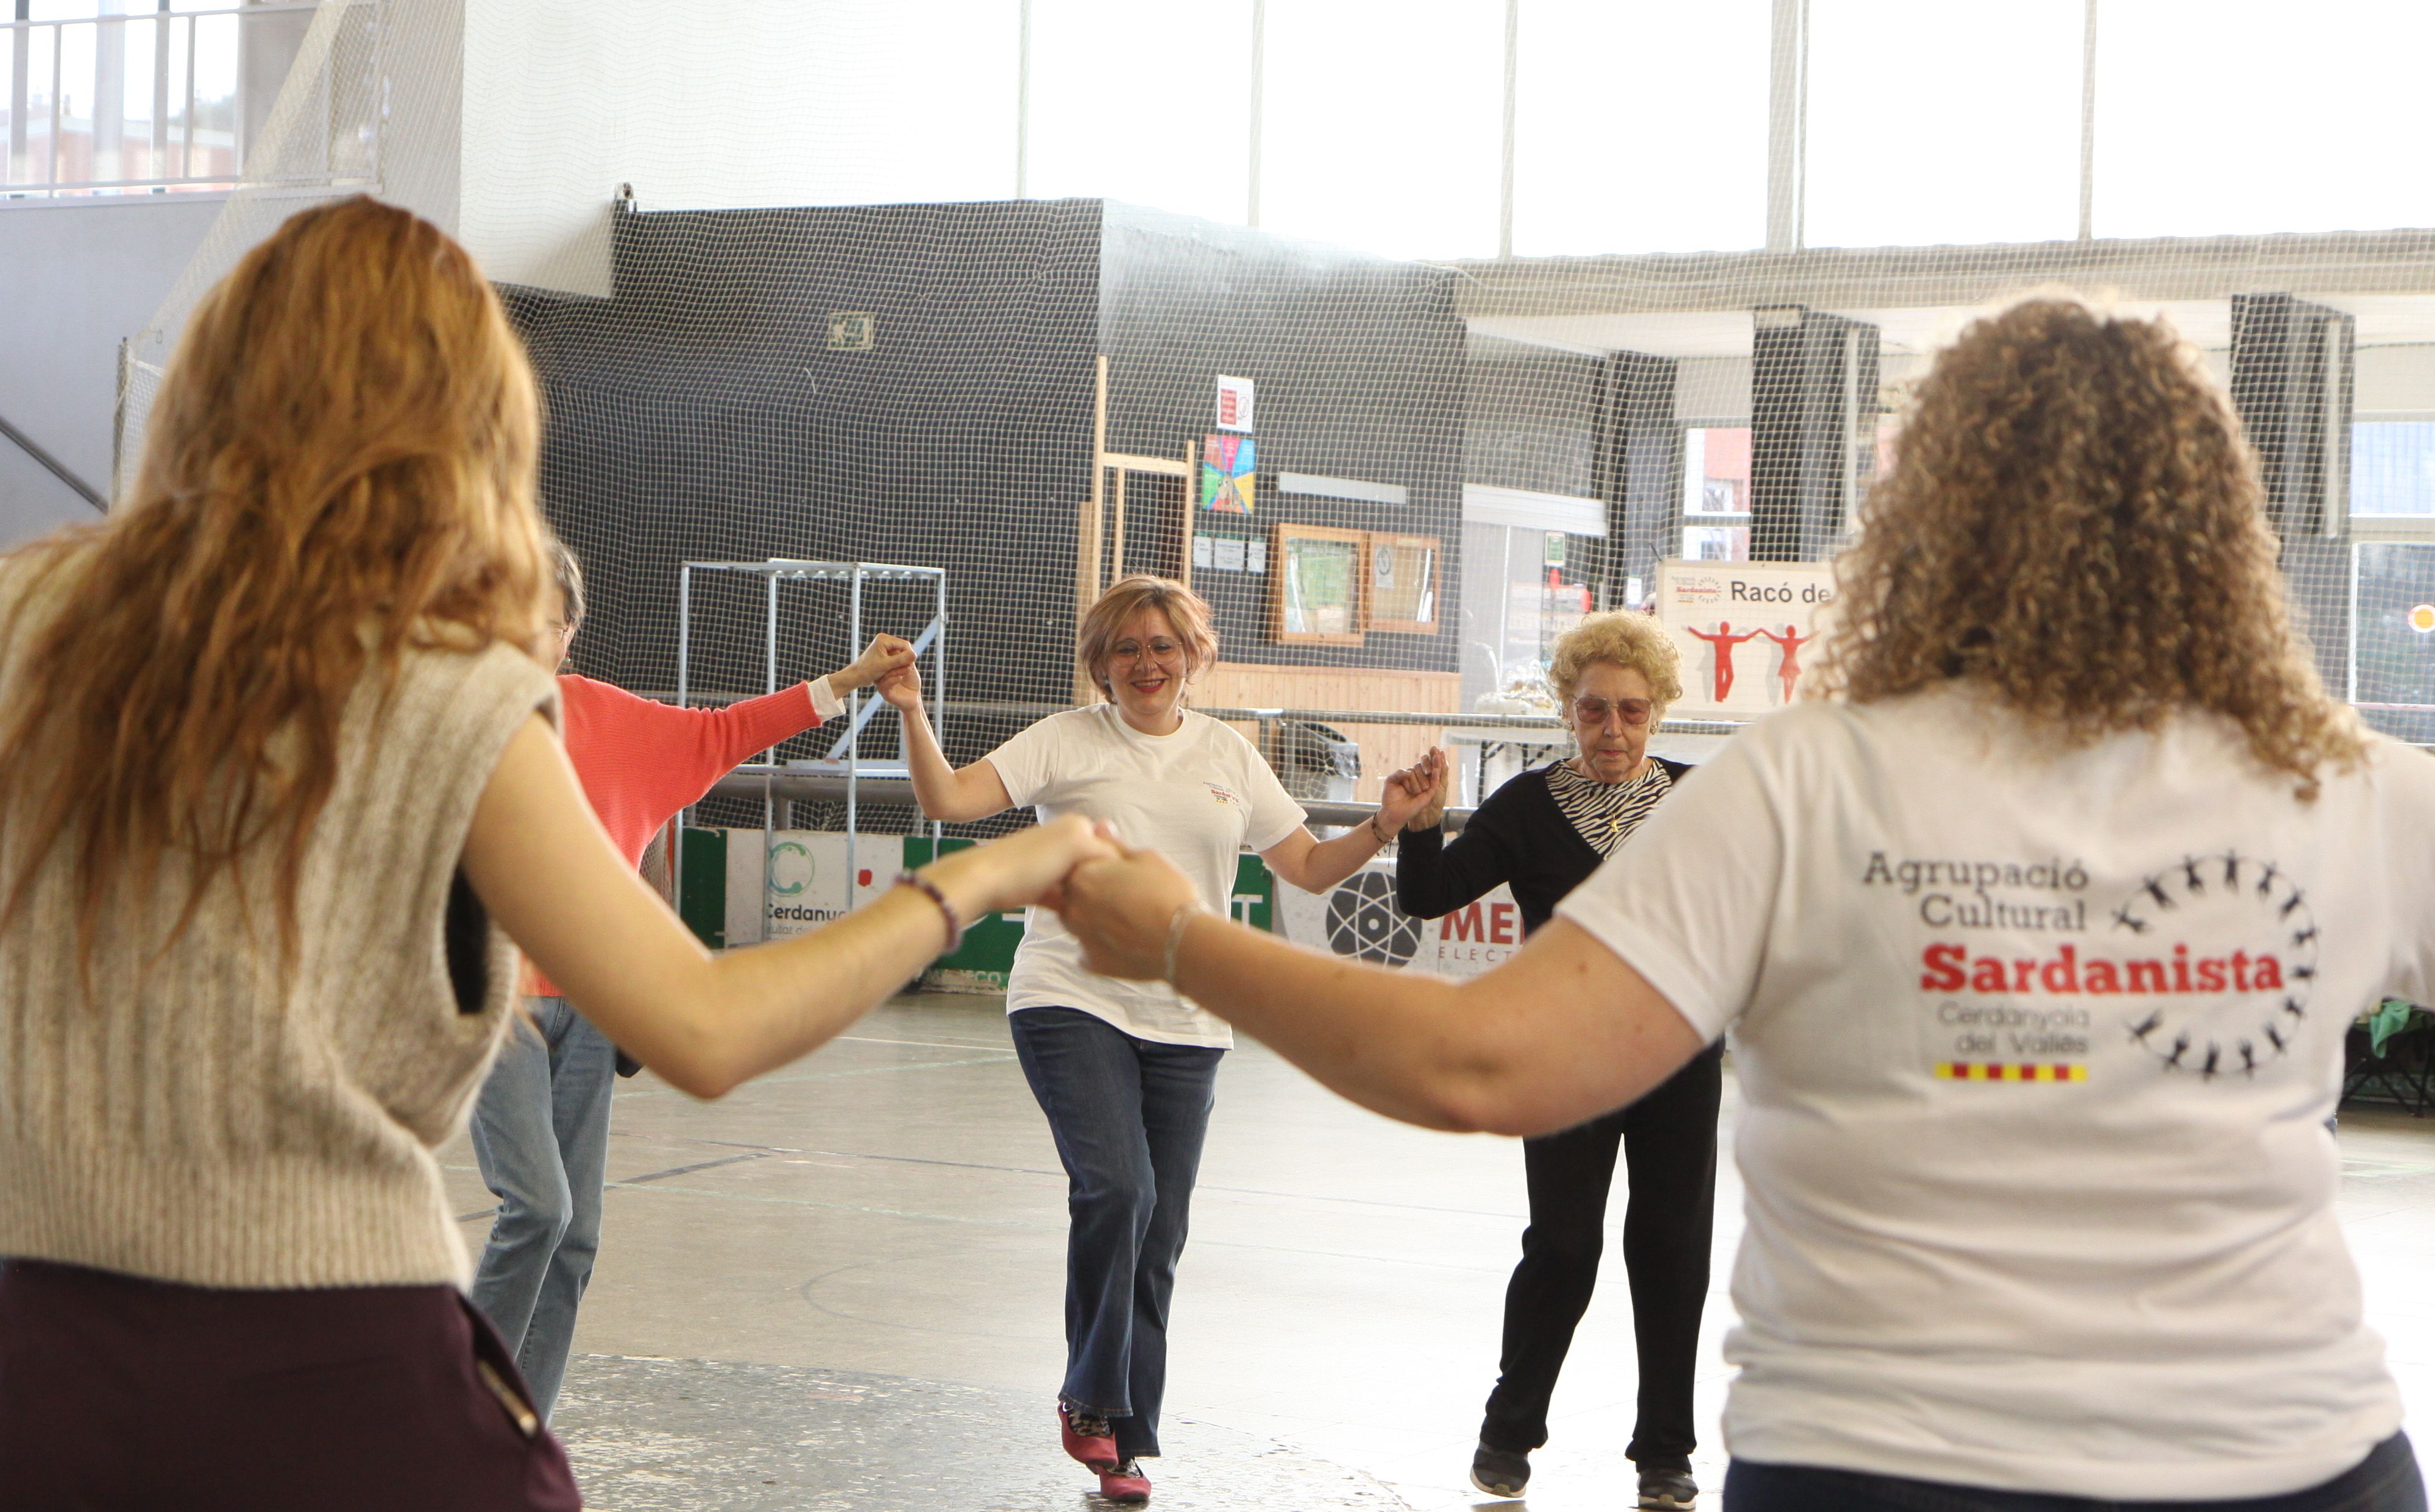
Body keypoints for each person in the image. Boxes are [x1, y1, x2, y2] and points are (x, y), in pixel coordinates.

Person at [0, 196, 1113, 1512]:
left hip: (62, 1392)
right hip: (344, 1375)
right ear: (467, 421)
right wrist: (976, 877)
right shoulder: (457, 697)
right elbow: (704, 1027)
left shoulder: (22, 610)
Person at [1052, 297, 2435, 1512]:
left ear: (1923, 519)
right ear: (2216, 526)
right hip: (2290, 1452)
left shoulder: (1803, 781)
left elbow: (1481, 1060)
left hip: (1884, 1459)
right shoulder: (2348, 784)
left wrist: (1175, 934)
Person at [885, 573, 1441, 1505]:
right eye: (1127, 649)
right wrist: (911, 712)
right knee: (1119, 1187)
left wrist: (1384, 823)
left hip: (1189, 1017)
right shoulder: (1067, 739)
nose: (1147, 663)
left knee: (1162, 1225)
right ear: (1101, 666)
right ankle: (1091, 1400)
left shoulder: (1227, 752)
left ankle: (1129, 1438)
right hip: (1070, 998)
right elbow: (947, 799)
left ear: (1192, 656)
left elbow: (1304, 867)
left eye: (1163, 645)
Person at [470, 542, 917, 1421]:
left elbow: (735, 730)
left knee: (577, 1236)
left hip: (596, 1007)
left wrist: (854, 677)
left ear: (569, 634)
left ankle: (522, 1429)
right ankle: (452, 1411)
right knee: (539, 1208)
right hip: (489, 1008)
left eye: (543, 622)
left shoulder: (622, 726)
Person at [1381, 611, 1710, 1510]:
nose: (1613, 730)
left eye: (1633, 712)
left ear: (1660, 712)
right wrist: (1419, 824)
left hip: (1681, 1050)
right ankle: (1510, 1428)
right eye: (1596, 710)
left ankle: (1664, 1452)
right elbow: (1429, 896)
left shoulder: (1698, 801)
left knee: (1671, 1248)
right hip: (1563, 1054)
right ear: (1568, 708)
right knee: (1563, 1246)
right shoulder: (1528, 805)